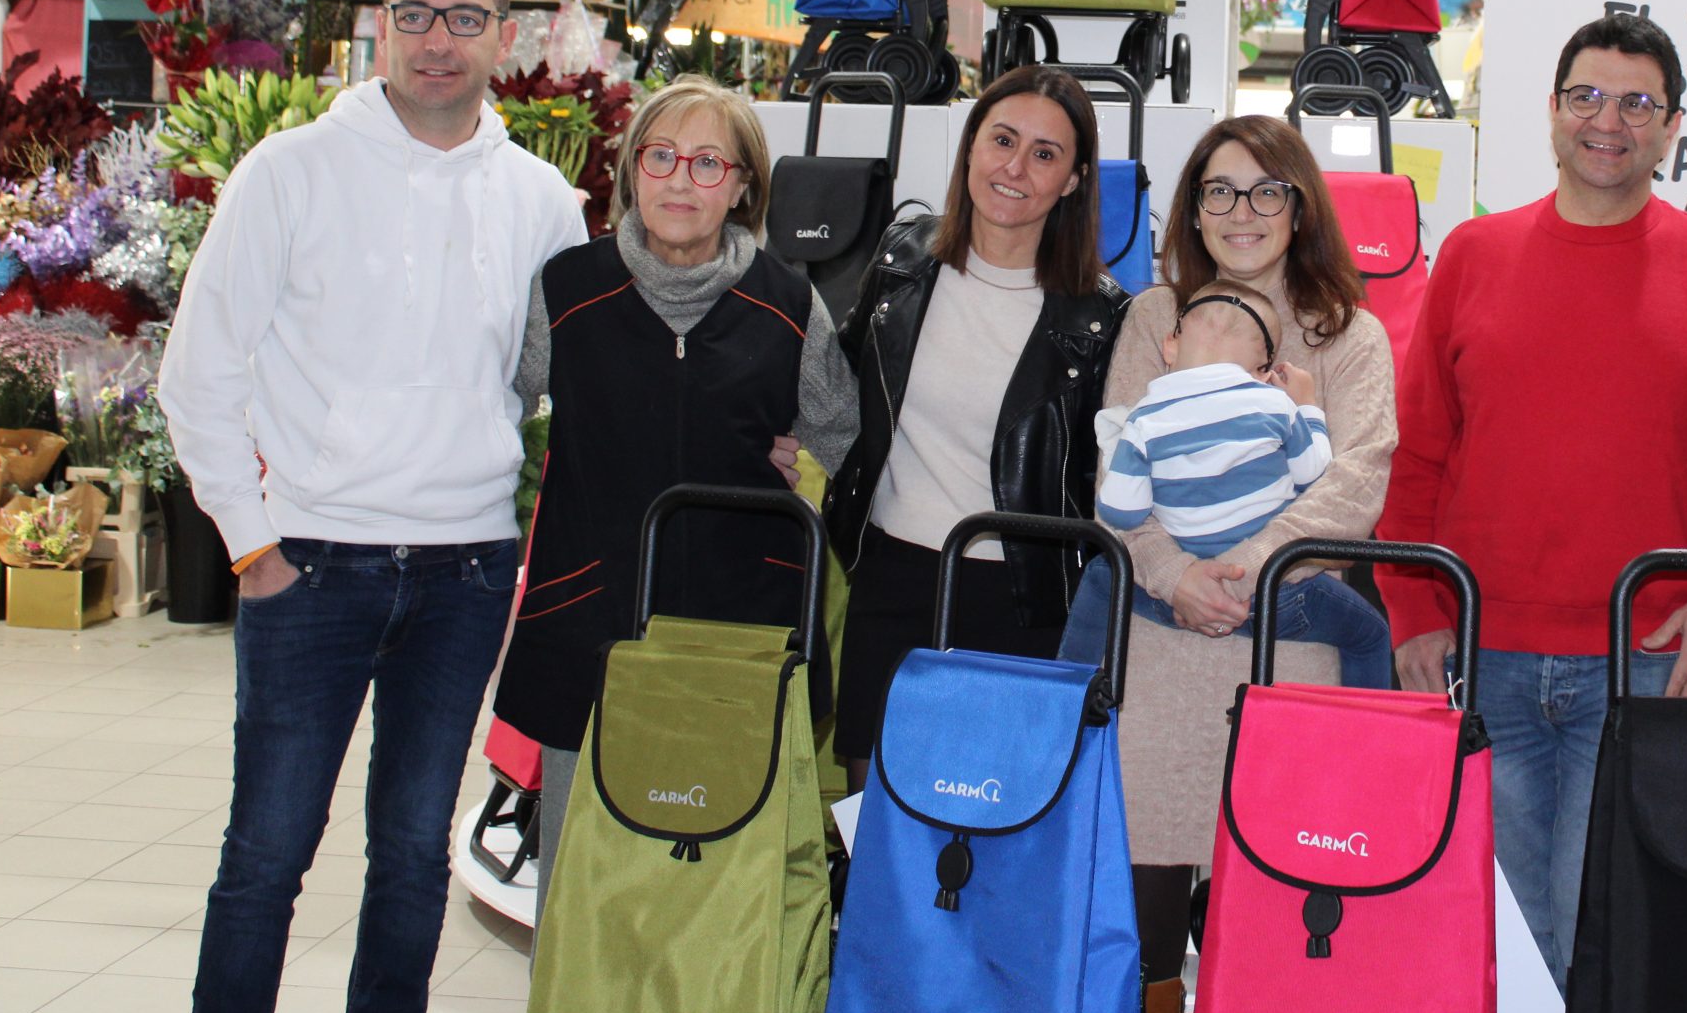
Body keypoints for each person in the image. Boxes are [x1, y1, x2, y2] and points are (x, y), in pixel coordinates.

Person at [158, 0, 588, 1013]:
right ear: (377, 26)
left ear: (506, 33)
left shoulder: (541, 199)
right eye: (412, 15)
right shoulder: (291, 172)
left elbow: (562, 381)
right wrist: (253, 545)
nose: (436, 42)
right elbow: (197, 371)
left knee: (409, 857)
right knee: (266, 855)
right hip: (311, 563)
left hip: (466, 572)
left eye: (463, 19)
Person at [1378, 11, 1687, 989]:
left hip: (1645, 662)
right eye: (1586, 96)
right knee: (1500, 937)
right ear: (1551, 111)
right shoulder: (1471, 256)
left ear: (1671, 127)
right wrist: (1411, 609)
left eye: (1636, 102)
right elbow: (1418, 457)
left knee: (1605, 932)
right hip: (1482, 655)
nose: (1606, 120)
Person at [491, 76, 858, 905]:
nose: (680, 181)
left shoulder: (792, 307)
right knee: (585, 875)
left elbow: (838, 435)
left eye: (705, 162)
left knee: (716, 876)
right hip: (592, 619)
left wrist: (796, 460)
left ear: (741, 186)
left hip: (738, 632)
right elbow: (497, 407)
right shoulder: (568, 291)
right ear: (630, 171)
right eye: (660, 156)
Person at [1098, 115, 1395, 1013]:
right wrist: (1171, 572)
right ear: (1192, 209)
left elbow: (1361, 472)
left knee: (1276, 857)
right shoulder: (1156, 316)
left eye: (1267, 190)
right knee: (1142, 845)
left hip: (1290, 630)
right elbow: (1116, 454)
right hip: (1161, 620)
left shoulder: (1349, 331)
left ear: (1300, 207)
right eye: (1219, 191)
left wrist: (1248, 567)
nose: (1242, 212)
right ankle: (1152, 999)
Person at [824, 65, 1125, 774]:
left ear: (1074, 180)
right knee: (872, 827)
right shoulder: (901, 263)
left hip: (1019, 604)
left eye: (1045, 154)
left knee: (991, 835)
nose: (1015, 167)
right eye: (1002, 139)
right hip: (889, 581)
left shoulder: (1102, 319)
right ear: (970, 147)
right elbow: (838, 388)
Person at [1060, 277, 1392, 692]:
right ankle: (1367, 749)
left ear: (1170, 347)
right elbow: (1315, 473)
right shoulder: (1277, 405)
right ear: (1263, 371)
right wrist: (1306, 406)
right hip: (1275, 597)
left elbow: (1119, 513)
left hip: (1170, 597)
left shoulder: (1141, 421)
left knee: (1101, 574)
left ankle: (1065, 704)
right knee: (1370, 636)